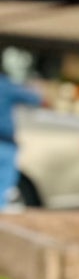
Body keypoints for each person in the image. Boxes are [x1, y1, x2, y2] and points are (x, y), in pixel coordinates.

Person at [0, 67, 42, 211]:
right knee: (4, 184)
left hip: (5, 141)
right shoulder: (6, 85)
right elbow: (35, 98)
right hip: (4, 141)